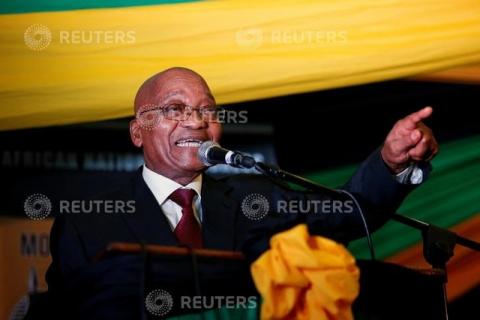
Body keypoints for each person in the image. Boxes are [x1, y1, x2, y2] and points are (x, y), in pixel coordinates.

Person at [43, 67, 438, 318]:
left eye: (206, 110)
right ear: (137, 131)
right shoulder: (88, 219)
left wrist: (391, 163)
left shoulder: (256, 196)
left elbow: (345, 213)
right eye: (175, 109)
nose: (196, 122)